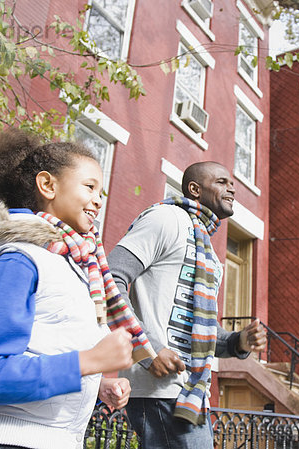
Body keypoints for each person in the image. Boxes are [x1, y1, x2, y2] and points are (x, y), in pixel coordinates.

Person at [0, 128, 155, 449]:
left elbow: (45, 346)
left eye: (102, 192)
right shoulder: (17, 259)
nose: (98, 200)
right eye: (89, 186)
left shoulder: (73, 263)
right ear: (47, 185)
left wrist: (94, 383)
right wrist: (88, 362)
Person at [108, 161, 267, 448]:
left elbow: (201, 332)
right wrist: (147, 349)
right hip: (159, 390)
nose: (232, 188)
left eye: (231, 183)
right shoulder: (165, 219)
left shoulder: (203, 245)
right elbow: (110, 280)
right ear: (195, 189)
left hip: (191, 394)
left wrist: (239, 341)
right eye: (221, 182)